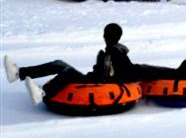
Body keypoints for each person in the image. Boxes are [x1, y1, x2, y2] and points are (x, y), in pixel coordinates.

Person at [4, 23, 135, 105]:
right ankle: (18, 73)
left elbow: (124, 73)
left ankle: (41, 93)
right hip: (91, 79)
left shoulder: (118, 54)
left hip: (97, 84)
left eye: (109, 35)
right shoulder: (107, 52)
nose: (106, 37)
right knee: (59, 63)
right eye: (106, 34)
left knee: (68, 72)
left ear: (115, 37)